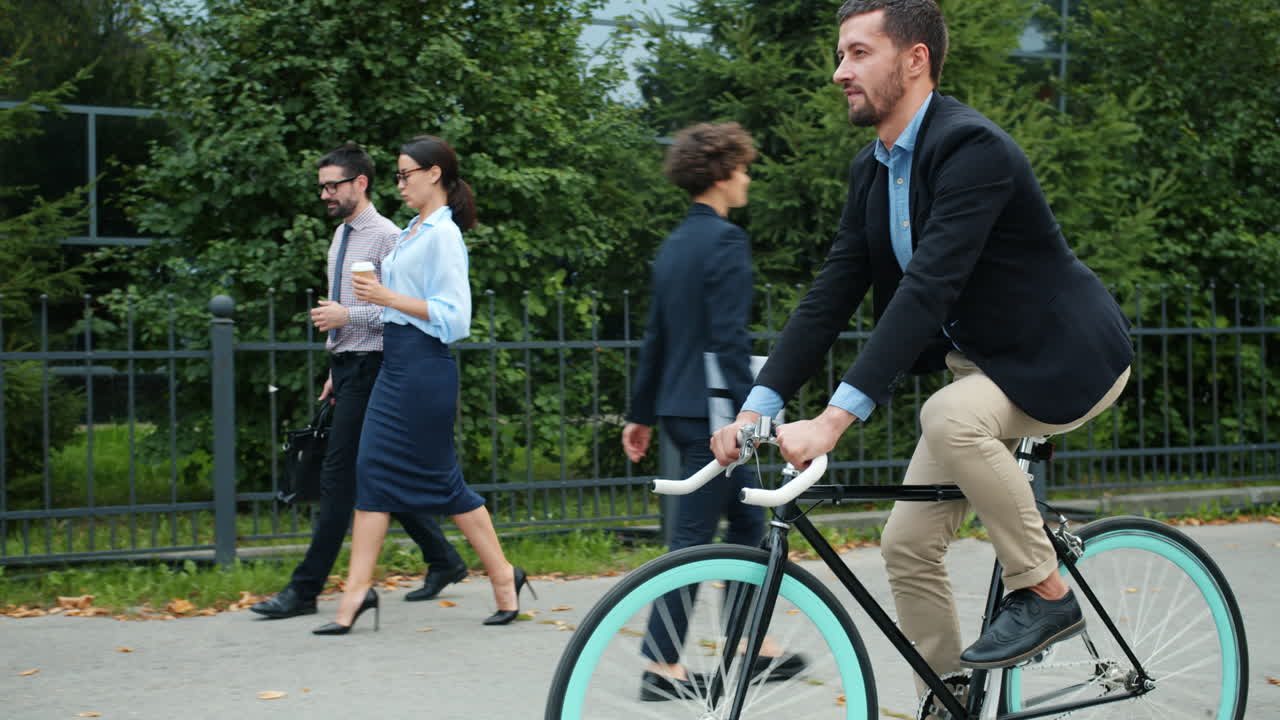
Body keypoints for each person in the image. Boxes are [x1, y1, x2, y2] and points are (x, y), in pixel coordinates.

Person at [710, 0, 1133, 690]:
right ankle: (946, 699)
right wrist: (760, 405)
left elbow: (928, 289)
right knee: (906, 546)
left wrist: (834, 420)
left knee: (947, 415)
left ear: (915, 60)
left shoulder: (973, 149)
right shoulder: (873, 170)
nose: (839, 71)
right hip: (990, 369)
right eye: (839, 54)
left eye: (857, 53)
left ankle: (1047, 594)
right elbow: (830, 296)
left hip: (1068, 359)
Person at [313, 135, 529, 635]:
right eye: (397, 175)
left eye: (406, 174)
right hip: (397, 365)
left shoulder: (443, 236)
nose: (400, 184)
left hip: (426, 368)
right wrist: (383, 302)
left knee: (443, 483)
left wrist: (385, 296)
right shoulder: (412, 230)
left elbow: (456, 319)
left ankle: (502, 575)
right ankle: (355, 596)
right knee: (372, 472)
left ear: (434, 174)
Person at [623, 122, 803, 701]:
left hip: (683, 409)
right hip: (717, 415)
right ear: (723, 174)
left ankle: (753, 647)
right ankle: (660, 667)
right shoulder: (725, 243)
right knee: (695, 542)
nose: (747, 178)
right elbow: (726, 340)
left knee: (748, 525)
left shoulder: (676, 244)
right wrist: (754, 416)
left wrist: (641, 413)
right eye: (744, 168)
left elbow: (656, 338)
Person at [252, 142, 468, 622]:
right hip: (350, 365)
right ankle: (445, 559)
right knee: (381, 472)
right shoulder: (339, 236)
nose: (326, 193)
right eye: (322, 186)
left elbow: (397, 310)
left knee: (339, 477)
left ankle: (307, 588)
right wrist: (335, 364)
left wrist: (348, 316)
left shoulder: (389, 236)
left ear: (360, 183)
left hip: (379, 366)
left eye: (334, 185)